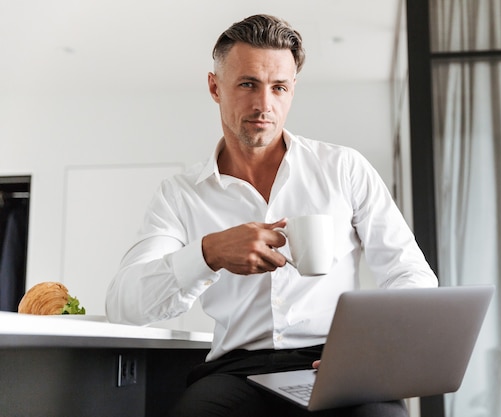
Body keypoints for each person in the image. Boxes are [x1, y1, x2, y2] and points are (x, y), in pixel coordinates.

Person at [106, 14, 437, 417]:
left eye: (279, 87)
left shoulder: (344, 168)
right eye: (248, 84)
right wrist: (207, 254)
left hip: (335, 362)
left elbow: (411, 274)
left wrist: (370, 350)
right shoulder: (180, 194)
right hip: (235, 373)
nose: (264, 104)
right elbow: (124, 304)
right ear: (215, 87)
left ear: (292, 90)